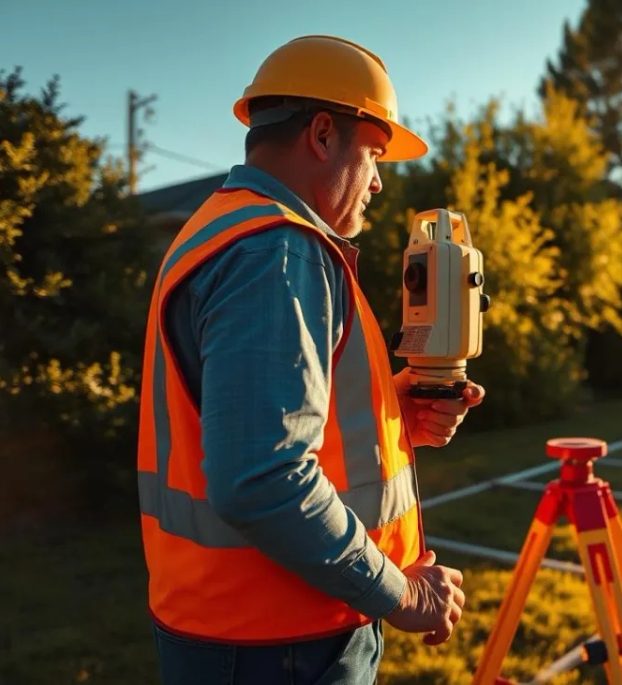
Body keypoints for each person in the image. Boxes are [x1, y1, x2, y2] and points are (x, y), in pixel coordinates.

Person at [135, 35, 483, 685]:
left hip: (236, 632)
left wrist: (392, 412)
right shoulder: (276, 250)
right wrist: (400, 592)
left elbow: (247, 425)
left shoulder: (219, 229)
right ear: (323, 134)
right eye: (375, 153)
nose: (379, 179)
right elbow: (262, 478)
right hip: (280, 645)